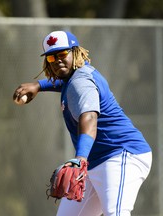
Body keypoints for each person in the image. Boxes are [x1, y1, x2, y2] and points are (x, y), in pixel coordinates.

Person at [13, 31, 152, 216]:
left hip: (120, 154)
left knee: (116, 213)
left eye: (63, 54)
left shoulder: (81, 82)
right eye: (52, 57)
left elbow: (89, 118)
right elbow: (65, 83)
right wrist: (39, 85)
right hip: (95, 161)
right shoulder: (75, 77)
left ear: (76, 53)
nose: (58, 60)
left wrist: (80, 159)